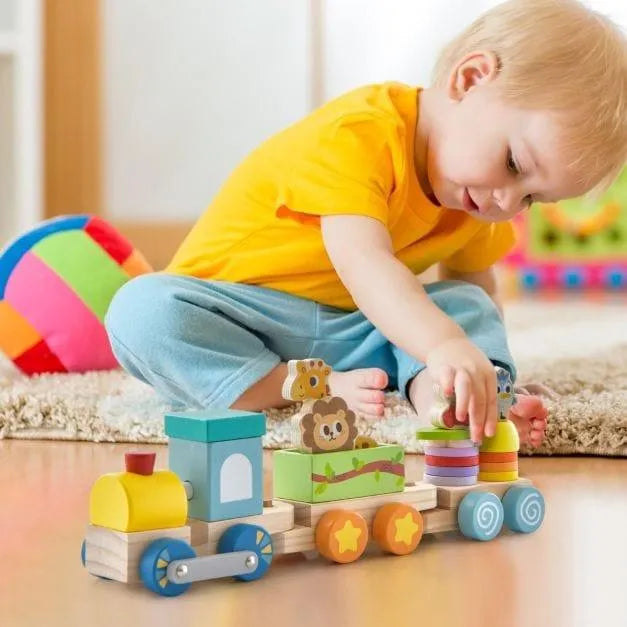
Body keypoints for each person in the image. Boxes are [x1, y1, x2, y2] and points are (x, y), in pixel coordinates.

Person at [105, 0, 626, 447]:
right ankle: (287, 386)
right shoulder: (360, 134)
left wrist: (479, 364)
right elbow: (363, 261)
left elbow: (473, 291)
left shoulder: (480, 200)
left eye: (532, 198)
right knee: (142, 312)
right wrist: (443, 343)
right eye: (514, 163)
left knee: (467, 306)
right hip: (242, 315)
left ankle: (456, 404)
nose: (506, 202)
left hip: (355, 332)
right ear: (470, 80)